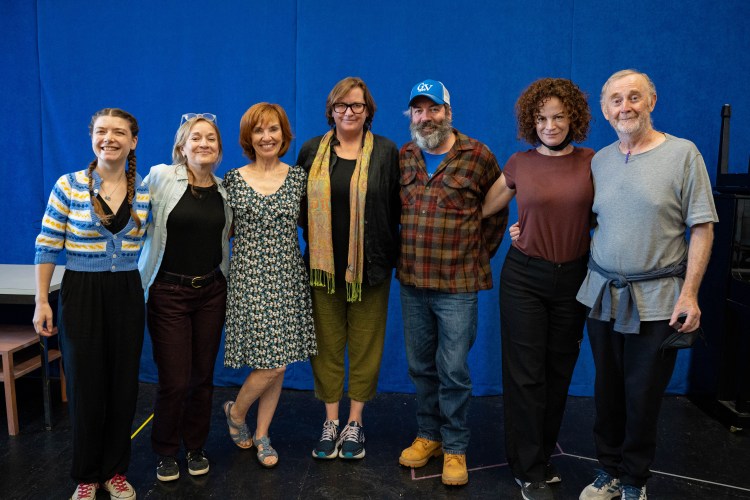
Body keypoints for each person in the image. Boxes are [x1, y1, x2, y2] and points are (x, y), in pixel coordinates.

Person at [576, 70, 717, 500]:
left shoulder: (682, 154)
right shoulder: (598, 160)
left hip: (658, 300)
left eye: (634, 97)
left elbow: (703, 227)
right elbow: (590, 221)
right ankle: (609, 471)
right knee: (607, 391)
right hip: (602, 296)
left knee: (642, 396)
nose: (625, 107)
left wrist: (690, 293)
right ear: (605, 110)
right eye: (616, 100)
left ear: (651, 100)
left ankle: (635, 479)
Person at [482, 78, 594, 500]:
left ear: (573, 119)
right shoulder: (519, 163)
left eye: (559, 116)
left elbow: (606, 215)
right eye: (542, 118)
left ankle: (543, 456)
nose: (550, 125)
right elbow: (483, 209)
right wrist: (516, 229)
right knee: (526, 375)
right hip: (525, 278)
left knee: (558, 371)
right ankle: (527, 469)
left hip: (574, 279)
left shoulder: (592, 162)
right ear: (532, 121)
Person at [33, 108, 149, 500]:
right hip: (80, 292)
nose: (109, 138)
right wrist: (41, 302)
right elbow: (47, 244)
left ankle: (116, 470)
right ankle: (86, 474)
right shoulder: (68, 186)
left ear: (133, 141)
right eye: (102, 131)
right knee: (84, 385)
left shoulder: (144, 192)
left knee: (123, 386)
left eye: (119, 132)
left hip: (126, 294)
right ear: (91, 137)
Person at [397, 79, 507, 486]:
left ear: (448, 111)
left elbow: (496, 211)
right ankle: (429, 436)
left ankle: (456, 446)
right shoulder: (404, 156)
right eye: (418, 111)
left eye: (433, 109)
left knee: (454, 369)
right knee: (420, 366)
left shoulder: (478, 155)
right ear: (411, 115)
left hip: (458, 286)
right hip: (411, 281)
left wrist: (475, 256)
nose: (426, 118)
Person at [297, 77, 400, 460]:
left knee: (365, 346)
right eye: (341, 106)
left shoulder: (387, 152)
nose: (349, 112)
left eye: (357, 105)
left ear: (368, 110)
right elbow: (299, 207)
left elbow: (396, 209)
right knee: (325, 346)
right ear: (331, 111)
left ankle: (355, 422)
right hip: (322, 268)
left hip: (370, 270)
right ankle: (330, 420)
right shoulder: (311, 151)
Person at [221, 103, 317, 468]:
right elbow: (220, 230)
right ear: (249, 137)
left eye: (273, 129)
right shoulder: (231, 179)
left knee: (277, 362)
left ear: (283, 134)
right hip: (248, 279)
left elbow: (317, 224)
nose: (267, 137)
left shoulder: (298, 178)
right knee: (272, 363)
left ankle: (261, 433)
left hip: (287, 277)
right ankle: (236, 413)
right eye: (259, 131)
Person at [138, 113, 233, 482]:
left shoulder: (226, 191)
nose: (204, 144)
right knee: (174, 380)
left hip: (211, 292)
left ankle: (195, 446)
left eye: (210, 138)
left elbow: (228, 238)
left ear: (219, 149)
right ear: (182, 146)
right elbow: (134, 219)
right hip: (168, 293)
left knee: (202, 377)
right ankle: (165, 450)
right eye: (196, 138)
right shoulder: (161, 176)